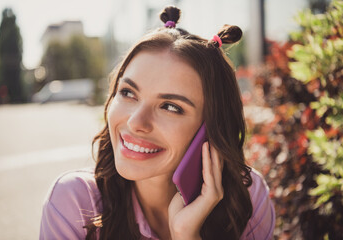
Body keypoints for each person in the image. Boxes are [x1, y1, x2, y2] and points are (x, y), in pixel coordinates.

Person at [40, 6, 275, 240]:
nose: (135, 122)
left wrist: (186, 235)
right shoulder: (74, 202)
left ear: (210, 128)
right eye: (128, 93)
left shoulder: (247, 198)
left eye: (170, 107)